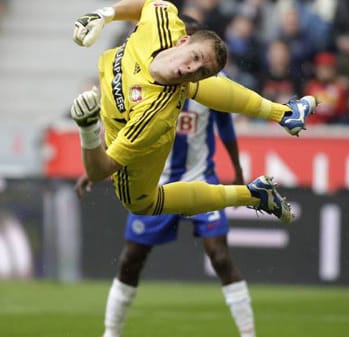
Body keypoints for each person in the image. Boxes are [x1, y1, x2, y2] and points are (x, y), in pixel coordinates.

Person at [74, 16, 256, 337]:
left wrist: (238, 170)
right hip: (155, 182)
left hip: (201, 178)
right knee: (131, 258)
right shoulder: (145, 75)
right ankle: (111, 333)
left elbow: (225, 126)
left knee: (219, 255)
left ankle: (248, 333)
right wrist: (93, 170)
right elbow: (122, 131)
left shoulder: (213, 81)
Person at [70, 0, 316, 225]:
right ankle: (284, 113)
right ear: (183, 40)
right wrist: (104, 15)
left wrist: (88, 130)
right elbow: (147, 5)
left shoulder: (154, 116)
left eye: (201, 71)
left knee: (141, 204)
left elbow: (99, 170)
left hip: (135, 131)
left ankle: (251, 196)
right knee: (189, 81)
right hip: (125, 100)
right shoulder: (164, 23)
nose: (191, 68)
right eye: (195, 57)